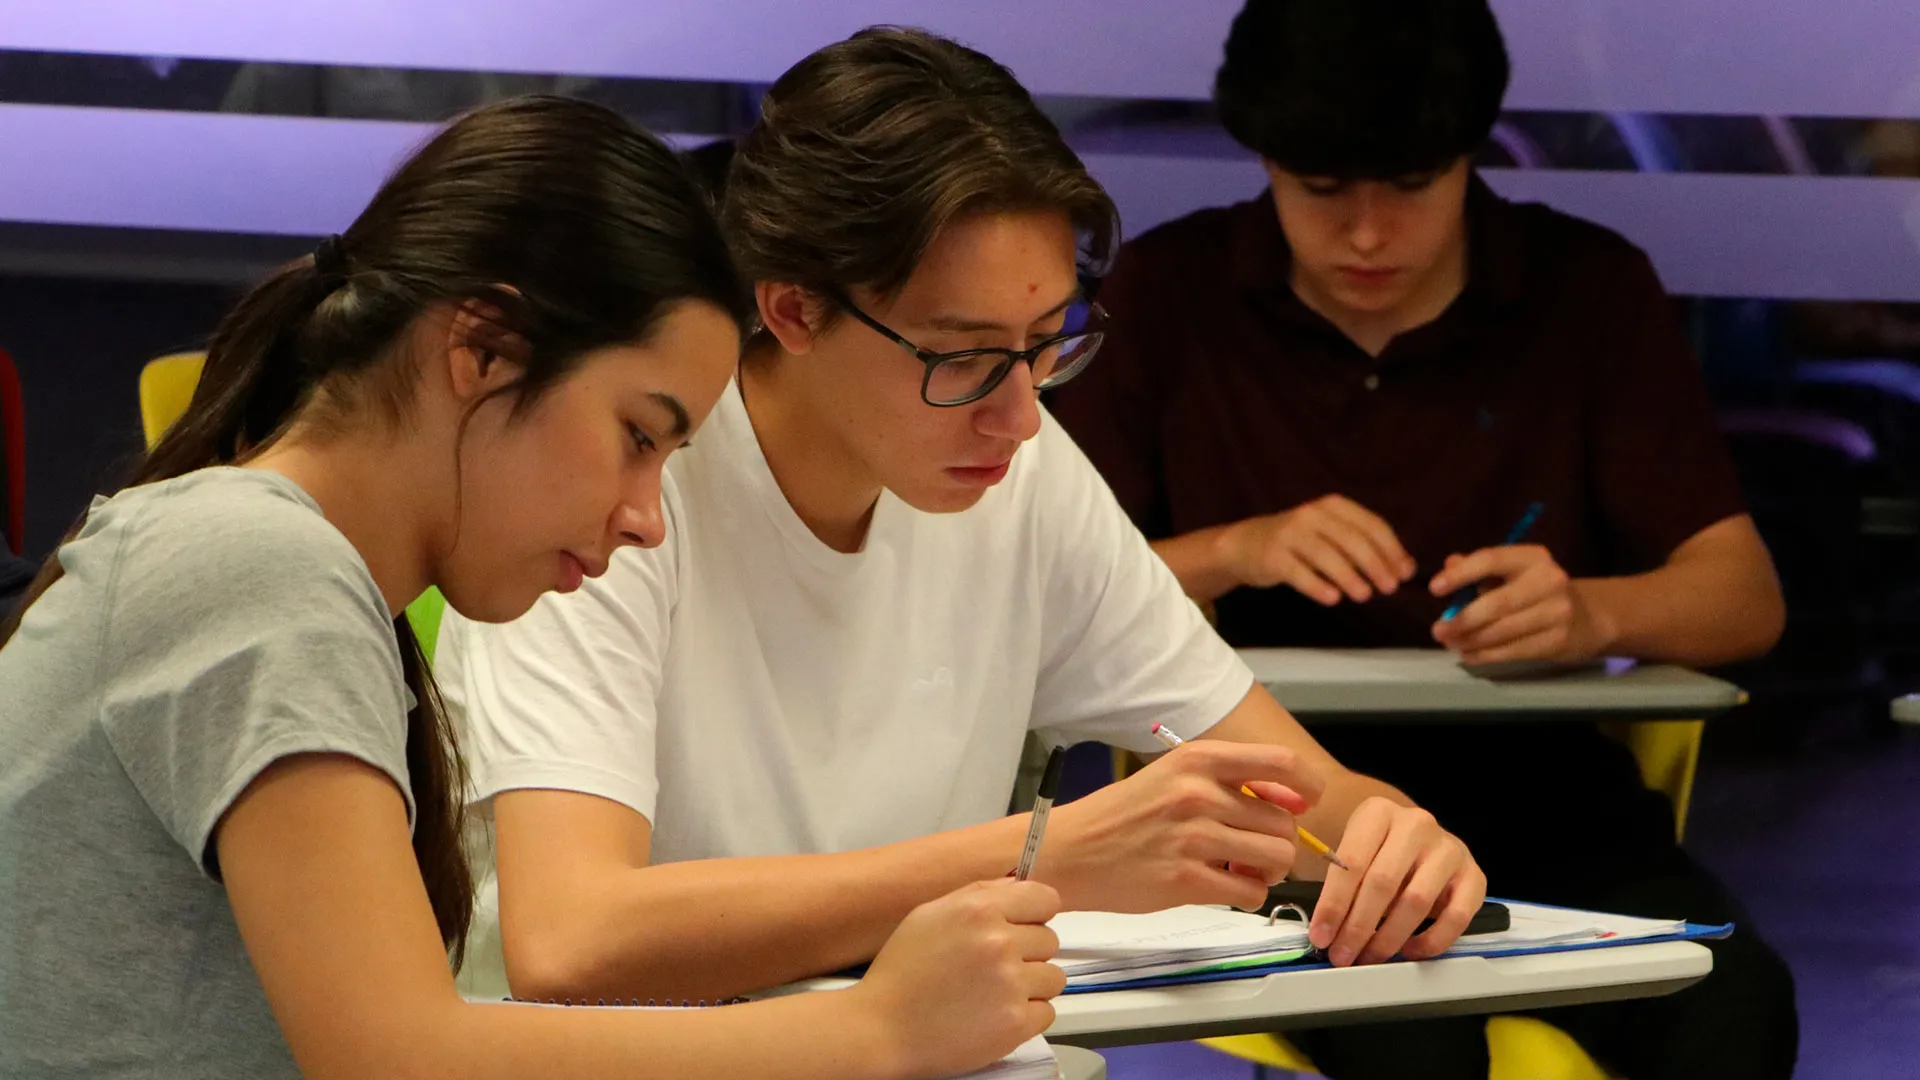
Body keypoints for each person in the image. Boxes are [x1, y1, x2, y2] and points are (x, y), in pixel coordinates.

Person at [0, 95, 1066, 1080]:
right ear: (482, 349)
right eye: (638, 436)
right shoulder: (261, 570)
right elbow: (401, 1057)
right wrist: (875, 1028)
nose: (648, 513)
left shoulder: (283, 566)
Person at [436, 26, 1485, 1008]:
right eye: (964, 356)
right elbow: (569, 941)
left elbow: (1310, 796)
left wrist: (1398, 838)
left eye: (1047, 340)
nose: (1020, 413)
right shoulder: (621, 483)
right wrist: (1038, 858)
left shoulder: (1018, 472)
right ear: (792, 306)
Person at [1046, 2, 1797, 1077]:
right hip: (1281, 819)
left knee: (1736, 1008)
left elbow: (1744, 597)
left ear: (1467, 157)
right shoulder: (1172, 296)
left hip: (1548, 808)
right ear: (1265, 160)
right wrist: (1235, 550)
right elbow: (1051, 598)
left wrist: (1595, 612)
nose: (1365, 233)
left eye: (1408, 188)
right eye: (1319, 190)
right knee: (1409, 1037)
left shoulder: (1582, 290)